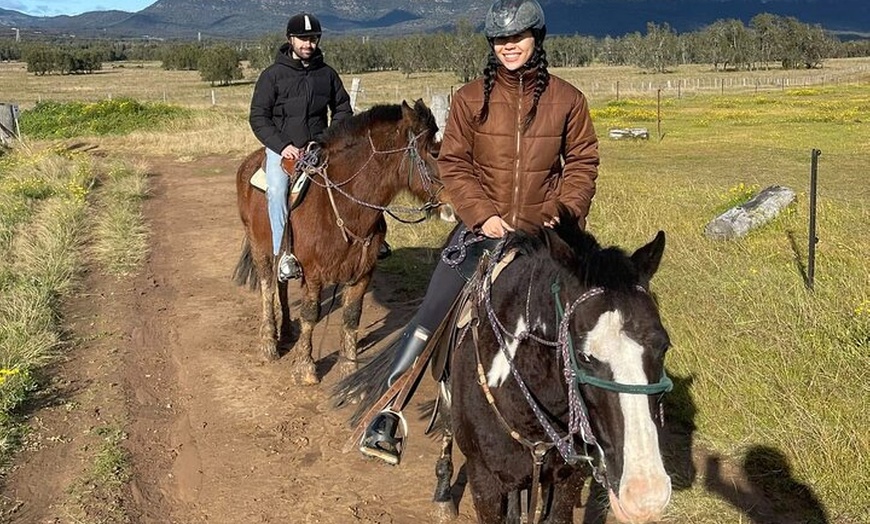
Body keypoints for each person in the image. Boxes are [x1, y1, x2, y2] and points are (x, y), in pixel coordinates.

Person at [359, 0, 600, 465]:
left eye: (518, 37)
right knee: (435, 310)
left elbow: (583, 164)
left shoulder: (568, 100)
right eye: (500, 40)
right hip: (482, 232)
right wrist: (482, 215)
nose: (509, 46)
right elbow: (453, 163)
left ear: (537, 39)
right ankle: (387, 412)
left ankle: (595, 424)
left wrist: (562, 213)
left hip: (546, 237)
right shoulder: (470, 99)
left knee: (592, 318)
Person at [249, 12, 352, 281]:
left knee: (355, 180)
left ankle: (365, 243)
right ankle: (283, 253)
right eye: (303, 39)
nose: (308, 44)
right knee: (277, 190)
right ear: (290, 39)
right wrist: (283, 146)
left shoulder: (327, 75)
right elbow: (259, 117)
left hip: (320, 147)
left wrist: (327, 139)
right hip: (283, 149)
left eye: (313, 39)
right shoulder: (272, 76)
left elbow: (342, 108)